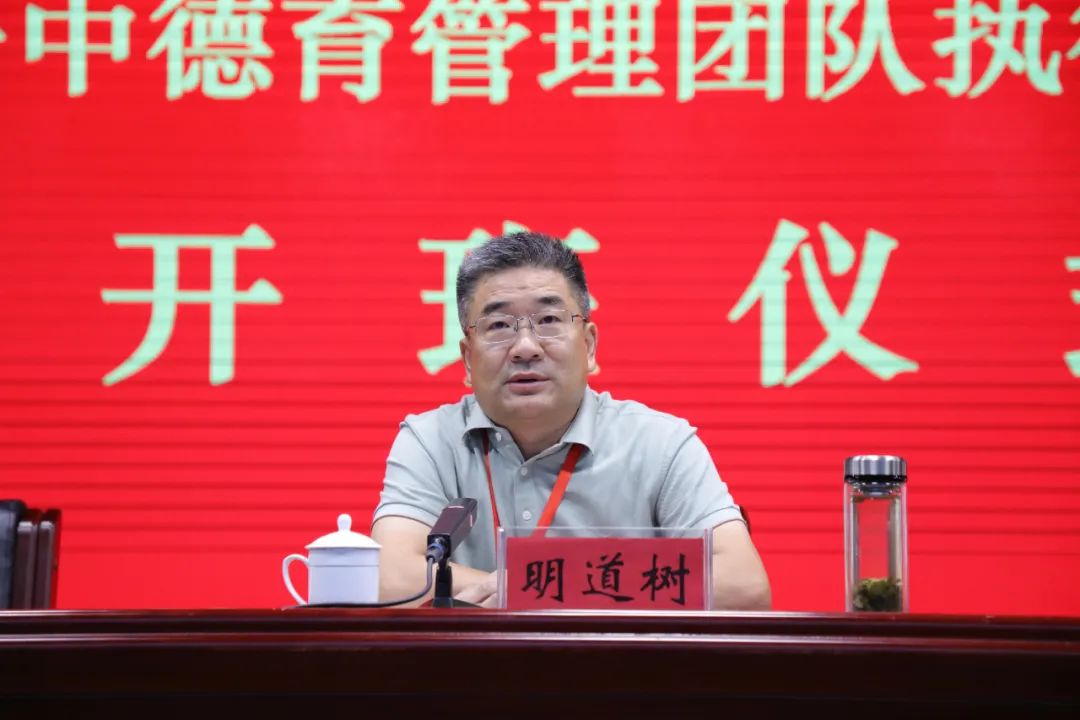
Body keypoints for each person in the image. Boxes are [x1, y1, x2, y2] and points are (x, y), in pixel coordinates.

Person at [372, 231, 771, 609]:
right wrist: (554, 592)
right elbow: (388, 578)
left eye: (549, 320)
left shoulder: (660, 444)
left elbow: (744, 587)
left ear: (589, 345)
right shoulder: (430, 440)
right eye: (498, 326)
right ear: (467, 359)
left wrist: (534, 591)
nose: (525, 347)